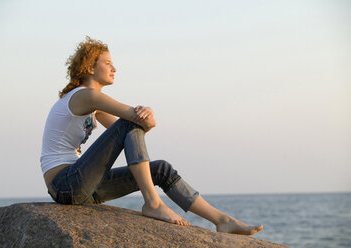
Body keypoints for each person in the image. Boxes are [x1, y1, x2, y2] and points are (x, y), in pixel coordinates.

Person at [40, 36, 263, 235]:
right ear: (89, 68)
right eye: (107, 63)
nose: (114, 68)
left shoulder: (93, 103)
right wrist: (144, 114)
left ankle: (222, 220)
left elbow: (135, 130)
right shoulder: (86, 96)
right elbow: (134, 123)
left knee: (160, 169)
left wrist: (144, 117)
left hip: (82, 187)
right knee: (129, 123)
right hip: (65, 184)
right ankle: (152, 202)